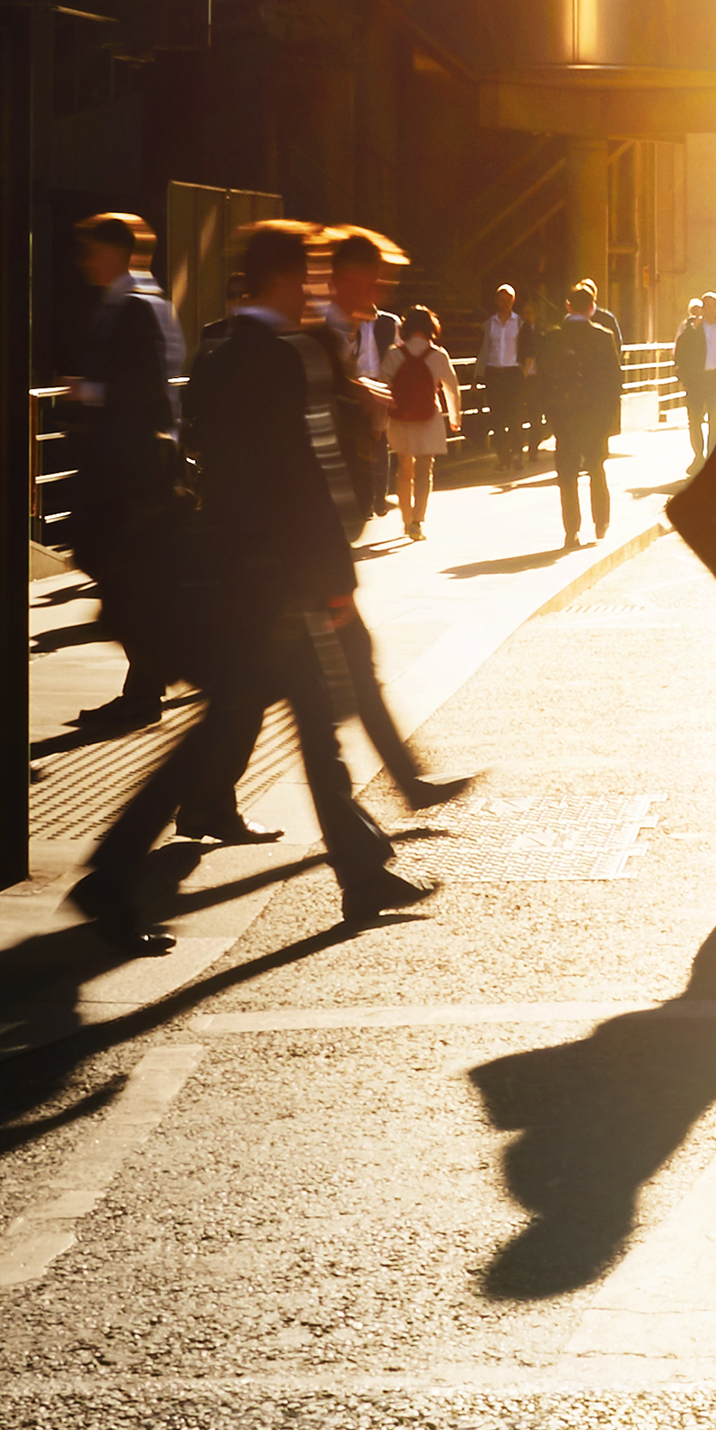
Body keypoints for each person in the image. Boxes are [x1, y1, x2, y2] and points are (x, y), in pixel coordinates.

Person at [77, 222, 423, 944]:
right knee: (222, 733)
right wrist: (327, 574)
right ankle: (110, 876)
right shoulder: (274, 357)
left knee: (308, 719)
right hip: (269, 580)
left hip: (259, 571)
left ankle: (360, 869)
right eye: (312, 277)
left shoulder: (237, 350)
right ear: (286, 279)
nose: (318, 289)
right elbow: (297, 478)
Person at [300, 231, 468, 807]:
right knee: (293, 693)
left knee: (300, 692)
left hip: (311, 546)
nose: (380, 294)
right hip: (302, 547)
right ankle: (395, 801)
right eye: (373, 281)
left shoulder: (335, 334)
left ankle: (398, 796)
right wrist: (360, 402)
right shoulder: (312, 332)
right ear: (345, 278)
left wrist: (360, 393)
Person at [61, 211, 192, 730]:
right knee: (127, 574)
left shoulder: (134, 306)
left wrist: (88, 392)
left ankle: (157, 673)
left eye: (91, 249)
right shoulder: (131, 303)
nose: (84, 260)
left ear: (115, 252)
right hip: (129, 465)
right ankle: (146, 684)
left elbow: (145, 389)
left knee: (116, 568)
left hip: (131, 468)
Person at [540, 277, 625, 546]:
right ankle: (601, 521)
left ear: (567, 306)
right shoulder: (603, 337)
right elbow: (614, 380)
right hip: (595, 416)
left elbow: (542, 379)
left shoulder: (552, 338)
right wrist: (609, 417)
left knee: (566, 474)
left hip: (564, 416)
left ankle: (571, 530)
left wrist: (550, 413)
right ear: (592, 307)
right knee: (596, 468)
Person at [381, 302, 459, 540]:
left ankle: (405, 520)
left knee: (405, 471)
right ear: (430, 328)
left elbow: (382, 387)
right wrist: (455, 418)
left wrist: (379, 422)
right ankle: (417, 521)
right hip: (428, 417)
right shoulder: (438, 355)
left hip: (400, 418)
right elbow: (452, 389)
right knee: (425, 470)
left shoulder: (394, 354)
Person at [473, 282, 530, 470]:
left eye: (508, 300)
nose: (504, 303)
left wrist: (523, 371)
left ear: (513, 301)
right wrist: (477, 376)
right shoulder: (489, 324)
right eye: (501, 300)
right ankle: (502, 458)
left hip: (513, 373)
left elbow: (530, 350)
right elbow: (483, 351)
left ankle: (516, 455)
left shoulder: (520, 323)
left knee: (514, 418)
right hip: (494, 373)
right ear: (497, 301)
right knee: (496, 419)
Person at [672, 292, 716, 443]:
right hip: (696, 381)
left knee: (715, 420)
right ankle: (698, 455)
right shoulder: (691, 327)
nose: (710, 309)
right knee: (694, 421)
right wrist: (683, 376)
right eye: (706, 306)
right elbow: (681, 350)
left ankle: (711, 454)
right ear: (702, 308)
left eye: (713, 306)